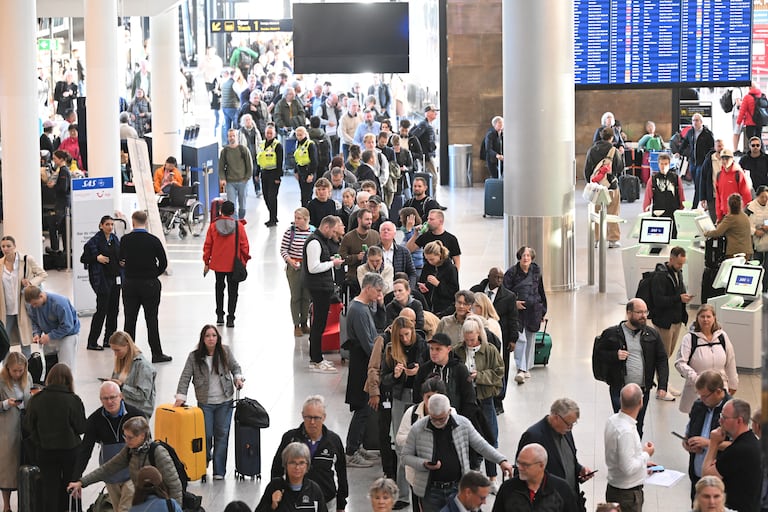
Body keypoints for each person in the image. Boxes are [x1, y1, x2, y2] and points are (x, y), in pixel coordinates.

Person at [402, 393, 513, 512]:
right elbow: (405, 456)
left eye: (441, 418)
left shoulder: (463, 424)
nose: (438, 422)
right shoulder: (417, 428)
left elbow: (481, 445)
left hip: (458, 488)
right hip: (430, 491)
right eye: (434, 419)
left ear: (449, 411)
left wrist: (501, 460)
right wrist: (423, 463)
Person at [175, 324, 244, 480]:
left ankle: (219, 471)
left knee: (222, 434)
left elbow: (235, 367)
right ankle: (205, 459)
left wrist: (238, 378)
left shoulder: (225, 351)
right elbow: (185, 377)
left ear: (218, 338)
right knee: (205, 435)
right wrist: (181, 397)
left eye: (214, 335)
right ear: (203, 339)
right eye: (207, 336)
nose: (211, 339)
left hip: (225, 401)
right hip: (205, 402)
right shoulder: (194, 357)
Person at [593, 298, 670, 437]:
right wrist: (614, 355)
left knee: (638, 425)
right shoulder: (612, 334)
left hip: (642, 390)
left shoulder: (652, 335)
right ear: (629, 313)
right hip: (619, 389)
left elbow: (661, 359)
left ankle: (635, 450)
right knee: (621, 425)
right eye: (639, 312)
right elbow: (599, 354)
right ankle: (621, 449)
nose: (643, 316)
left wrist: (662, 385)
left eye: (645, 312)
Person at [68, 416, 183, 505]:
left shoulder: (158, 452)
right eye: (125, 436)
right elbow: (108, 468)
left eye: (130, 437)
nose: (126, 441)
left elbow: (175, 486)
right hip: (142, 501)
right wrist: (82, 482)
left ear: (142, 436)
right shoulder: (130, 450)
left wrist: (174, 508)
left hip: (161, 504)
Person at [74, 381, 146, 512]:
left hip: (132, 474)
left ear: (121, 396)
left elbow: (147, 444)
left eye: (113, 397)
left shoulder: (136, 415)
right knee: (117, 508)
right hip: (111, 475)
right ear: (100, 399)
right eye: (105, 398)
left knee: (124, 509)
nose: (109, 402)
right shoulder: (94, 420)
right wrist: (76, 478)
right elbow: (85, 450)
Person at [25, 363, 86, 512]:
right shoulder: (73, 400)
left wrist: (39, 440)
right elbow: (81, 427)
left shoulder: (36, 399)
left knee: (49, 489)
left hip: (45, 451)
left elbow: (28, 426)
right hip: (70, 450)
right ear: (69, 380)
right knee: (72, 486)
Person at [270, 395, 348, 512]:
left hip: (327, 501)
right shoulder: (290, 438)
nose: (312, 422)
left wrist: (341, 504)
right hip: (295, 503)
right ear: (302, 415)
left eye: (316, 418)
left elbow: (341, 472)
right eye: (308, 417)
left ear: (324, 417)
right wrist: (276, 490)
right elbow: (277, 468)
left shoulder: (334, 441)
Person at [453, 316, 504, 489]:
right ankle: (471, 476)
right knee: (466, 438)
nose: (470, 343)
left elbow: (499, 372)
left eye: (473, 339)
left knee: (490, 437)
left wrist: (479, 376)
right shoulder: (458, 350)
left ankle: (492, 477)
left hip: (485, 399)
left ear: (479, 334)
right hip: (466, 400)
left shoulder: (489, 350)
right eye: (467, 340)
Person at [517, 398, 594, 504]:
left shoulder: (565, 430)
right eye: (568, 424)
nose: (571, 428)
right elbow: (522, 472)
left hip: (569, 500)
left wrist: (579, 469)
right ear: (556, 417)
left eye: (573, 424)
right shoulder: (534, 436)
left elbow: (567, 459)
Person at [120, 211, 171, 363]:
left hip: (130, 283)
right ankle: (156, 353)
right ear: (146, 222)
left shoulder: (125, 240)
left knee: (130, 319)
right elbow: (163, 262)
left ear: (133, 222)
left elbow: (120, 259)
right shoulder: (153, 240)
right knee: (151, 319)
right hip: (150, 284)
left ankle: (128, 354)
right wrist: (153, 273)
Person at [345, 272, 385, 467]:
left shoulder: (362, 307)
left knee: (365, 409)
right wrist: (380, 358)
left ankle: (357, 445)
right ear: (367, 288)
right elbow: (368, 343)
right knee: (362, 408)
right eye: (377, 291)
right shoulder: (359, 310)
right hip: (362, 365)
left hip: (364, 361)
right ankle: (351, 451)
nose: (379, 295)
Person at [675, 305, 738, 414]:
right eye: (702, 316)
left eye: (708, 316)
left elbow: (730, 361)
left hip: (720, 389)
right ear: (697, 318)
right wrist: (696, 379)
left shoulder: (722, 337)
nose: (705, 320)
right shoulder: (689, 338)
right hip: (696, 390)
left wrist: (733, 383)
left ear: (714, 318)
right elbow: (680, 363)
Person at [702, 398, 762, 512]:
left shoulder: (739, 450)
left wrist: (714, 443)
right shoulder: (751, 442)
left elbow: (707, 477)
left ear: (739, 421)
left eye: (724, 418)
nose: (720, 421)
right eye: (721, 416)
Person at [302, 215, 345, 373]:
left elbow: (320, 261)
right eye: (333, 231)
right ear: (326, 227)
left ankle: (318, 357)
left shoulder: (321, 241)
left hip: (323, 286)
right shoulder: (314, 242)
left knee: (320, 324)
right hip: (318, 287)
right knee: (318, 324)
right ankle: (316, 360)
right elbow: (313, 267)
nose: (334, 234)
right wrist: (332, 263)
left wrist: (330, 259)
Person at [603, 383, 655, 512]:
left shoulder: (612, 420)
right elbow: (628, 468)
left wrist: (642, 462)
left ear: (621, 400)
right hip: (627, 496)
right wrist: (646, 454)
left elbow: (620, 456)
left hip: (615, 488)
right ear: (640, 402)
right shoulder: (626, 431)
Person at [682, 371, 732, 500]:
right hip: (697, 476)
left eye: (705, 396)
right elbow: (688, 432)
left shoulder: (732, 411)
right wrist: (688, 444)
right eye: (700, 395)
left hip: (721, 479)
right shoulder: (698, 406)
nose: (702, 399)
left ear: (718, 391)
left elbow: (738, 446)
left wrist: (709, 443)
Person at [503, 246, 547, 385]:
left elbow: (541, 291)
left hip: (533, 310)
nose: (526, 258)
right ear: (519, 257)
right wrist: (513, 303)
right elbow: (505, 292)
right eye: (523, 255)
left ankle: (526, 367)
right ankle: (521, 368)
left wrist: (543, 311)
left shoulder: (536, 272)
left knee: (530, 338)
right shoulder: (511, 273)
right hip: (517, 312)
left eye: (528, 255)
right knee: (520, 339)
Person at [203, 200, 250, 327]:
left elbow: (208, 245)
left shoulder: (213, 226)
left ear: (220, 211)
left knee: (219, 289)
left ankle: (219, 315)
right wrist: (244, 261)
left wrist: (206, 261)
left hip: (218, 264)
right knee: (233, 291)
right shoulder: (239, 226)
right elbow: (244, 246)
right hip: (233, 264)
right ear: (233, 212)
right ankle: (231, 318)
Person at [493, 443, 578, 512]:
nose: (520, 468)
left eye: (525, 465)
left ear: (541, 465)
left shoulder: (561, 489)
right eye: (518, 463)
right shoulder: (508, 488)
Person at [0, 236, 47, 360]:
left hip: (22, 307)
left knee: (25, 342)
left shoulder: (26, 260)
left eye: (8, 246)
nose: (5, 249)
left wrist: (30, 283)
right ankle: (7, 370)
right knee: (4, 344)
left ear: (14, 246)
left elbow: (43, 274)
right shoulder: (0, 264)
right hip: (6, 310)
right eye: (3, 246)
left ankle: (27, 368)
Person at [412, 334, 479, 418]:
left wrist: (461, 420)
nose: (433, 352)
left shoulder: (460, 369)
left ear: (448, 349)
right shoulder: (424, 369)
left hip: (455, 417)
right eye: (431, 349)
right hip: (429, 418)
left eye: (438, 349)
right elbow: (417, 395)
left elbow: (469, 398)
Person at [82, 215, 122, 350]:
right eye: (107, 224)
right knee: (101, 310)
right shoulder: (94, 241)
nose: (110, 227)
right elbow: (84, 258)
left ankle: (109, 339)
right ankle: (92, 342)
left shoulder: (115, 239)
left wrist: (122, 262)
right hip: (102, 280)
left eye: (112, 224)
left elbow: (118, 255)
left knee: (114, 310)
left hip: (115, 278)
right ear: (101, 226)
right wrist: (96, 258)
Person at [0, 352, 32, 512]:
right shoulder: (1, 381)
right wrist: (6, 403)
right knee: (8, 467)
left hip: (25, 425)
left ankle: (24, 502)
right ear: (7, 369)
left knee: (25, 461)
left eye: (21, 370)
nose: (18, 374)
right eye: (14, 371)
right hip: (7, 428)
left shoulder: (28, 377)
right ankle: (6, 505)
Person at [649, 246, 692, 364]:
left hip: (676, 320)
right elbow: (658, 300)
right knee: (663, 355)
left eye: (682, 264)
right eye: (679, 263)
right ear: (671, 259)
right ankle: (660, 376)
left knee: (669, 353)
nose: (681, 266)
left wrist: (684, 298)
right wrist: (678, 298)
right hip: (664, 322)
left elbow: (679, 292)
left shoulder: (679, 273)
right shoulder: (660, 276)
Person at [256, 443, 328, 512]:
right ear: (285, 465)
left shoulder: (314, 490)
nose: (297, 467)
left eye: (301, 463)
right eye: (292, 462)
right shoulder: (275, 486)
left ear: (307, 466)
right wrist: (272, 506)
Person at [24, 285, 80, 375]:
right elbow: (35, 321)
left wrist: (50, 336)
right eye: (31, 304)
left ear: (41, 296)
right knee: (49, 365)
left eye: (35, 303)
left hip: (68, 335)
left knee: (65, 368)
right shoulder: (33, 306)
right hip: (50, 335)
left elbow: (68, 326)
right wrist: (36, 334)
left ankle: (67, 383)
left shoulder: (59, 303)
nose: (33, 306)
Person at [584, 127, 624, 248]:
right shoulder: (613, 151)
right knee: (613, 211)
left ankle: (596, 239)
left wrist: (591, 182)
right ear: (612, 138)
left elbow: (587, 170)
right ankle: (613, 239)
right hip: (611, 186)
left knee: (596, 212)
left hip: (596, 186)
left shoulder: (592, 150)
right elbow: (620, 168)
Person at [281, 208, 314, 337]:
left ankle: (304, 322)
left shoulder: (312, 231)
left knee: (306, 296)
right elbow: (283, 249)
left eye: (299, 218)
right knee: (296, 296)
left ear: (306, 219)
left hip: (308, 268)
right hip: (294, 268)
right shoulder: (290, 231)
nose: (296, 221)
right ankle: (296, 324)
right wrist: (290, 261)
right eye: (295, 218)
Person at [107, 331, 156, 418]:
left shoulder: (143, 366)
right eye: (114, 350)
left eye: (117, 350)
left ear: (127, 346)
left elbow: (143, 395)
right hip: (122, 408)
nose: (115, 354)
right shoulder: (120, 362)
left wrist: (122, 386)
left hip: (138, 412)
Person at [642, 153, 685, 237]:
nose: (663, 166)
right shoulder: (653, 179)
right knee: (658, 237)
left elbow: (681, 194)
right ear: (658, 164)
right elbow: (648, 196)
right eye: (661, 164)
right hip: (658, 212)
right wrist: (646, 210)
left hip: (673, 212)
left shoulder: (676, 178)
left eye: (666, 164)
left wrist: (681, 208)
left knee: (673, 237)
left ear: (669, 164)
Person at [704, 193, 753, 260]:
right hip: (746, 250)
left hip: (735, 252)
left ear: (729, 205)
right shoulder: (744, 216)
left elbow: (718, 232)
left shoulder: (730, 218)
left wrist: (706, 233)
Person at [418, 241, 460, 317]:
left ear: (439, 255)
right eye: (427, 259)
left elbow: (454, 292)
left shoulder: (450, 269)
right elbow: (422, 281)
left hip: (444, 308)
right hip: (428, 306)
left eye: (432, 259)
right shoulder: (427, 266)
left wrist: (438, 284)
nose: (429, 262)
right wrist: (423, 287)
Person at [219, 128, 253, 220]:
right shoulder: (224, 151)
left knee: (242, 205)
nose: (232, 138)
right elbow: (221, 167)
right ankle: (235, 223)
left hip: (242, 181)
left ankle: (240, 220)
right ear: (227, 137)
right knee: (232, 205)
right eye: (230, 136)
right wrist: (222, 178)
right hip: (230, 182)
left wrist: (247, 178)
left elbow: (249, 165)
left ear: (237, 137)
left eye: (233, 136)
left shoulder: (243, 150)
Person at [713, 149, 751, 222]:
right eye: (723, 159)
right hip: (724, 214)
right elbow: (718, 197)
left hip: (737, 214)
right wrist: (719, 215)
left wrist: (744, 214)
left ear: (732, 159)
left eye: (727, 158)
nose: (724, 161)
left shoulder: (738, 174)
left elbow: (746, 195)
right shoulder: (719, 175)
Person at [47, 149, 72, 254]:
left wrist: (53, 186)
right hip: (63, 203)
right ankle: (65, 249)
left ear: (61, 159)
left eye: (55, 159)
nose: (54, 161)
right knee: (63, 227)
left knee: (54, 224)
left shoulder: (63, 171)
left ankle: (56, 248)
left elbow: (63, 188)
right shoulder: (61, 170)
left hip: (63, 204)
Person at [258, 123, 284, 227]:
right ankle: (273, 216)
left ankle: (273, 218)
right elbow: (259, 158)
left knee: (272, 197)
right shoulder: (262, 144)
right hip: (264, 173)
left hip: (274, 174)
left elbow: (280, 162)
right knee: (265, 197)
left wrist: (278, 177)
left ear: (275, 134)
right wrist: (256, 173)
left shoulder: (278, 145)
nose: (269, 135)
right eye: (267, 133)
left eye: (271, 133)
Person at [378, 221, 418, 289]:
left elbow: (412, 273)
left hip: (399, 288)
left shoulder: (404, 251)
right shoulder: (372, 251)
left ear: (394, 233)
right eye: (383, 230)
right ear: (379, 233)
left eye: (388, 230)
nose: (386, 231)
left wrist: (409, 289)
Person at [409, 105, 439, 194]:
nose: (436, 113)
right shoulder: (423, 125)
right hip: (426, 157)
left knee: (432, 177)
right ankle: (431, 197)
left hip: (428, 155)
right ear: (428, 113)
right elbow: (413, 136)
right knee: (433, 177)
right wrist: (420, 152)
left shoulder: (427, 125)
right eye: (433, 111)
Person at [746, 185, 768, 292]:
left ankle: (765, 288)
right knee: (756, 264)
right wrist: (755, 231)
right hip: (754, 241)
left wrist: (766, 226)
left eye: (766, 197)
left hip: (766, 238)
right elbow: (746, 225)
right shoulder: (750, 208)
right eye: (762, 197)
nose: (764, 200)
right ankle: (754, 289)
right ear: (757, 196)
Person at [699, 139, 726, 223]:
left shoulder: (727, 160)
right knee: (715, 220)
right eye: (719, 146)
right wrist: (702, 198)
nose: (721, 148)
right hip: (712, 195)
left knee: (725, 220)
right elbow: (703, 179)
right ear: (715, 147)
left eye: (722, 146)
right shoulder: (709, 160)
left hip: (725, 195)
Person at [294, 126, 320, 208]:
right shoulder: (298, 144)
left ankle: (308, 213)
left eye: (300, 135)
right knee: (303, 196)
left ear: (305, 134)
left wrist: (311, 174)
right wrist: (295, 171)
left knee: (308, 196)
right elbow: (296, 159)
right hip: (301, 172)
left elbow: (314, 161)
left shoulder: (310, 144)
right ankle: (303, 212)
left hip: (308, 171)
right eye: (297, 135)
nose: (299, 137)